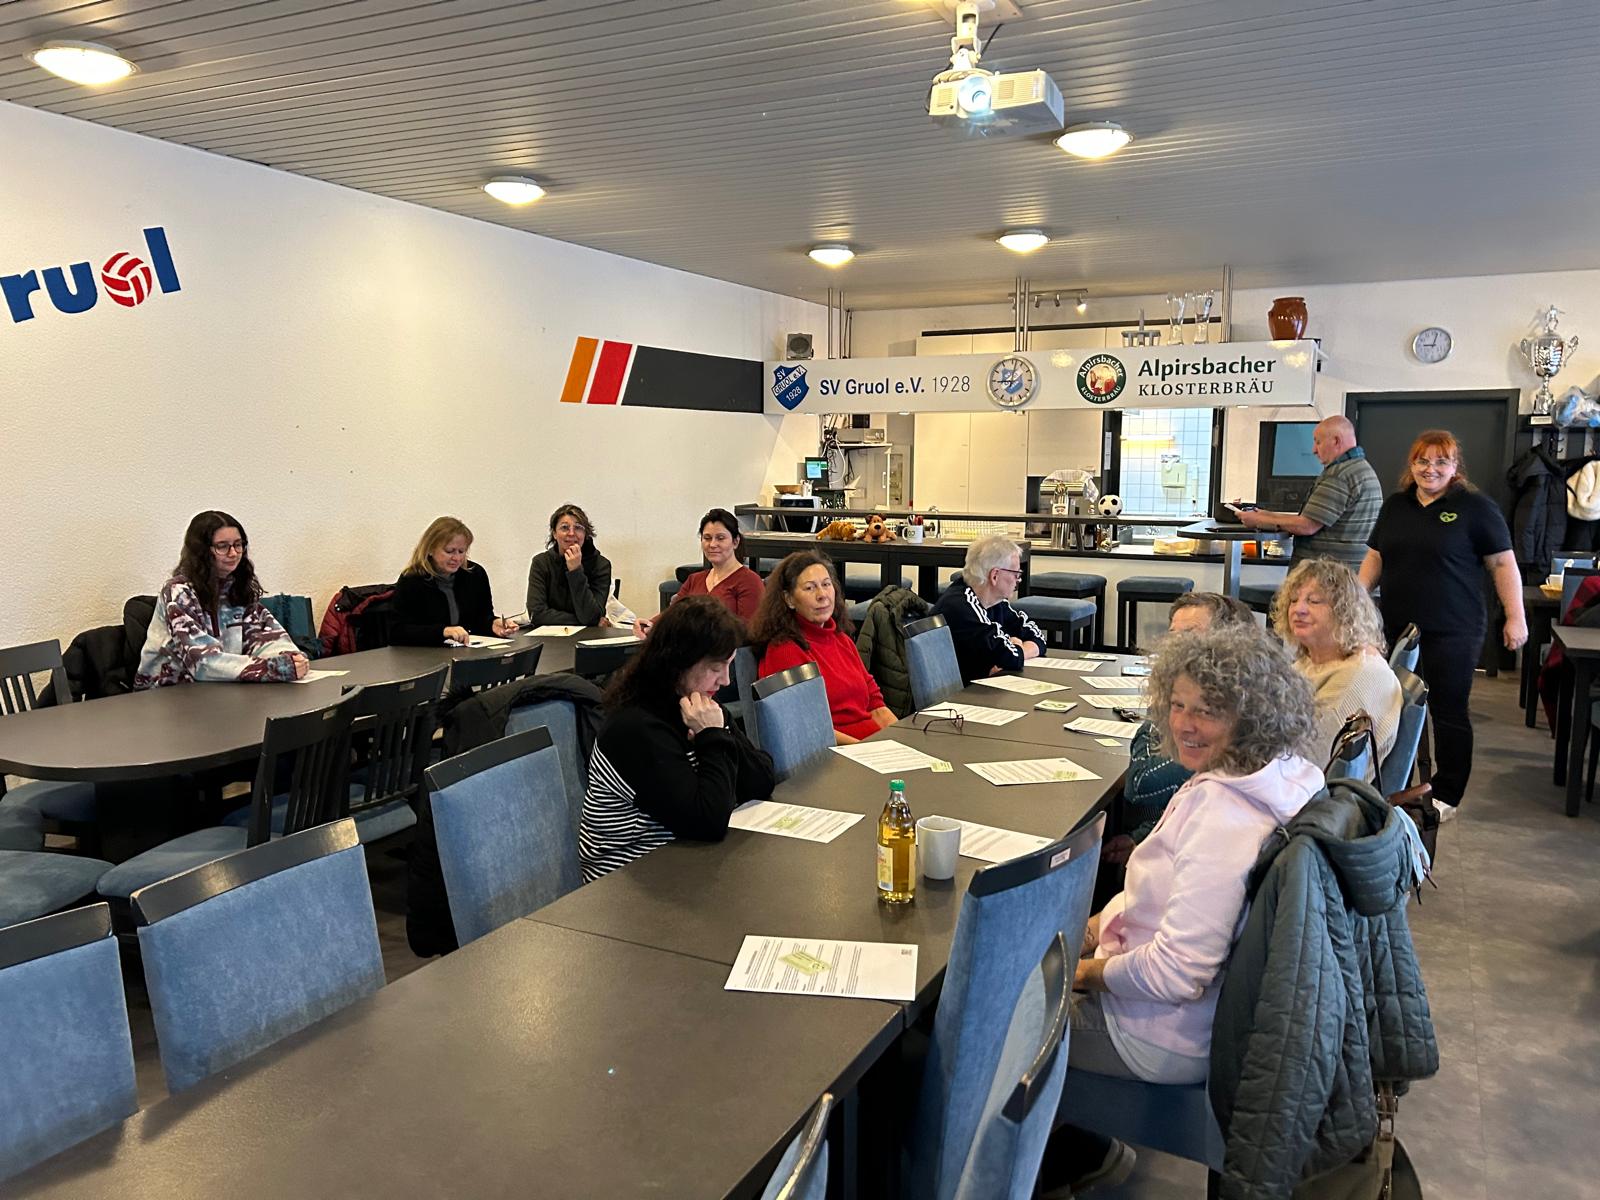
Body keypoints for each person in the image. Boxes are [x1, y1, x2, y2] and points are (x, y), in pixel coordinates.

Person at [1037, 625, 1321, 1196]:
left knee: (983, 1026)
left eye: (1208, 711)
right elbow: (1159, 896)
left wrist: (1081, 974)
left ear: (1251, 716)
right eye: (1177, 705)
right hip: (1181, 1014)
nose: (1185, 724)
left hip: (1159, 1033)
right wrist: (1093, 928)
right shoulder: (1270, 776)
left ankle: (1049, 1161)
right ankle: (1074, 1149)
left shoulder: (1225, 814)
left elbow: (1178, 973)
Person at [1359, 430, 1526, 819]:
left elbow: (1503, 563)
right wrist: (1355, 599)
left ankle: (1448, 791)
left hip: (1454, 629)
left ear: (1455, 467)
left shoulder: (1475, 508)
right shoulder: (1396, 506)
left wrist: (1515, 616)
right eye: (1422, 460)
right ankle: (1394, 781)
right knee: (1394, 704)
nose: (1430, 468)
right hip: (1398, 629)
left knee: (1447, 710)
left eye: (1440, 461)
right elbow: (1375, 557)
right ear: (1411, 464)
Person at [579, 596, 775, 881]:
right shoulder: (635, 727)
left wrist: (719, 731)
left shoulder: (697, 706)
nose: (726, 680)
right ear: (679, 662)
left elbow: (761, 781)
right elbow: (707, 822)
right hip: (627, 877)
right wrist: (712, 737)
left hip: (684, 858)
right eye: (716, 668)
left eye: (729, 666)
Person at [1109, 592, 1254, 867]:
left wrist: (1156, 718)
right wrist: (1141, 838)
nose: (1173, 646)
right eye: (1172, 635)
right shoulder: (1186, 689)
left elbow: (1142, 783)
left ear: (1228, 643)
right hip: (1165, 839)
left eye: (1189, 635)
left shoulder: (1227, 716)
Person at [135, 510, 308, 687]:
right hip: (167, 693)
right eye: (222, 546)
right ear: (202, 551)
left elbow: (266, 637)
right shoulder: (179, 592)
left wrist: (290, 658)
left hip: (219, 689)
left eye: (238, 545)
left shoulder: (236, 588)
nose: (233, 553)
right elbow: (202, 663)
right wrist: (274, 668)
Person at [750, 551, 897, 744]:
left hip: (872, 744)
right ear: (789, 599)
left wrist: (903, 740)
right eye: (810, 588)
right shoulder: (785, 650)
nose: (822, 595)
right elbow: (807, 730)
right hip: (837, 753)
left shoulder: (842, 639)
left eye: (826, 584)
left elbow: (877, 706)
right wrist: (865, 749)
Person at [1273, 558, 1403, 764]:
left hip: (1316, 780)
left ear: (1344, 611)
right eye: (1293, 600)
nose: (1299, 609)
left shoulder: (1354, 678)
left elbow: (1310, 762)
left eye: (1314, 601)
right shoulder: (1316, 660)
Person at [1234, 415, 1383, 568]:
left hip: (1327, 574)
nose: (1314, 450)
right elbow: (1312, 519)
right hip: (1346, 572)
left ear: (1336, 441)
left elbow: (1307, 526)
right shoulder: (1362, 468)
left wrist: (1260, 521)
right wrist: (1266, 515)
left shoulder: (1339, 475)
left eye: (1318, 442)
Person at [930, 534, 1048, 682]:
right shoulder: (962, 607)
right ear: (995, 576)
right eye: (1016, 574)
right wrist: (1017, 647)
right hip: (960, 692)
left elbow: (1037, 636)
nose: (1018, 580)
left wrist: (1017, 648)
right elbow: (1009, 657)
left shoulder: (994, 601)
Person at [389, 516, 520, 646]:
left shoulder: (475, 574)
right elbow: (397, 632)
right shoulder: (411, 580)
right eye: (449, 551)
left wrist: (493, 624)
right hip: (426, 654)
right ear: (430, 549)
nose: (457, 558)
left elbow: (481, 619)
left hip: (466, 651)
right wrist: (443, 631)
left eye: (461, 551)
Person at [636, 508, 764, 637]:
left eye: (720, 538)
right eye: (707, 538)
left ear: (735, 542)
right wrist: (650, 624)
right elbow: (673, 614)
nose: (712, 544)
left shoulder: (749, 581)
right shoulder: (694, 579)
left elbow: (749, 630)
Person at [526, 503, 613, 628]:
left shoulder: (601, 565)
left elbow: (591, 616)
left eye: (578, 528)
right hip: (549, 636)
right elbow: (537, 614)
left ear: (585, 534)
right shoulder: (541, 563)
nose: (571, 533)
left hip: (588, 636)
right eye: (564, 527)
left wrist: (575, 571)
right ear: (554, 534)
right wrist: (582, 621)